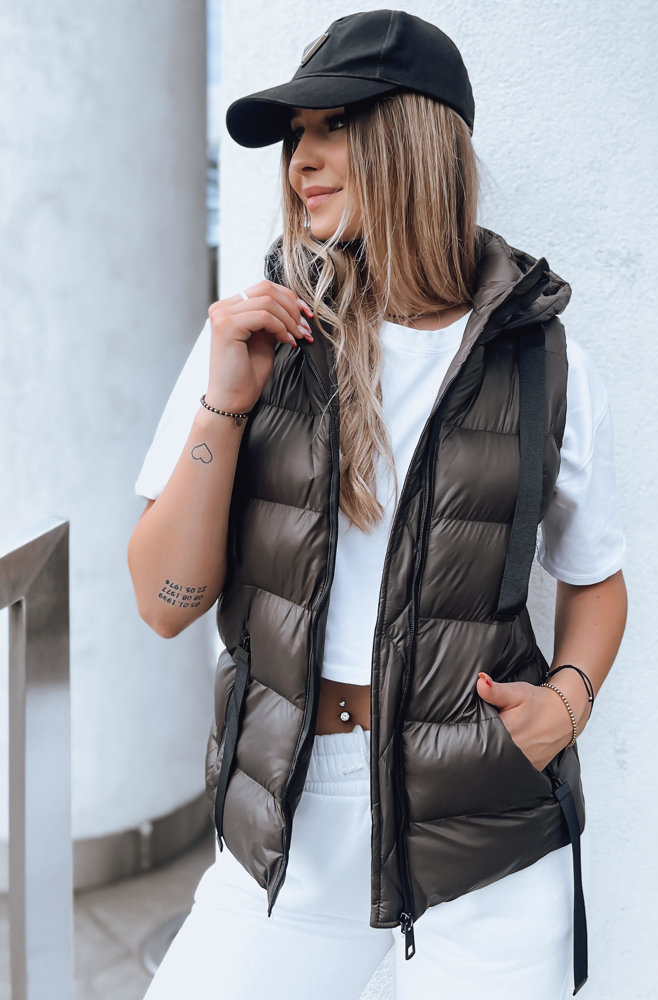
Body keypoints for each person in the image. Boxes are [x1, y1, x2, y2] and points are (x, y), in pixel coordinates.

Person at [128, 10, 628, 999]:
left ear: (416, 138)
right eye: (293, 138)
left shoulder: (542, 363)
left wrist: (566, 704)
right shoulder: (261, 338)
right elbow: (163, 604)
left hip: (486, 826)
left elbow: (596, 577)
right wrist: (227, 398)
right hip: (296, 817)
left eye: (334, 127)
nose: (300, 163)